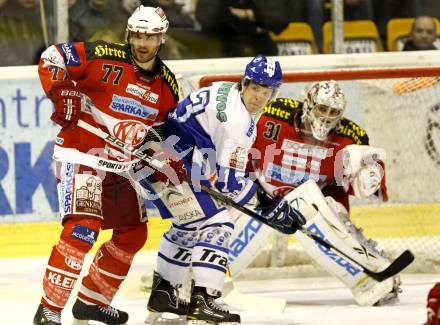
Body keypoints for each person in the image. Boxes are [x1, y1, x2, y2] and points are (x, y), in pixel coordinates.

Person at [33, 5, 180, 325]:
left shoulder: (167, 87)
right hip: (81, 155)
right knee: (82, 229)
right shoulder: (103, 55)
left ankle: (92, 300)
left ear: (162, 39)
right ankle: (49, 310)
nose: (142, 43)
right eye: (137, 35)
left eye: (150, 37)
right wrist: (61, 91)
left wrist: (160, 156)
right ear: (129, 34)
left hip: (119, 167)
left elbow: (157, 133)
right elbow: (52, 57)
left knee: (133, 234)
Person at [139, 55, 306, 324]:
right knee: (218, 223)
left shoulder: (224, 89)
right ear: (245, 83)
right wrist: (269, 206)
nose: (259, 97)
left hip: (156, 160)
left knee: (188, 226)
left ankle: (163, 294)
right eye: (255, 89)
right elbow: (229, 186)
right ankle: (205, 299)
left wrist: (266, 202)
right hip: (172, 165)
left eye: (266, 91)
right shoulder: (238, 123)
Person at [248, 80, 401, 306]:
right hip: (261, 198)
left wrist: (369, 174)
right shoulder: (272, 115)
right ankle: (204, 280)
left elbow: (370, 192)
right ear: (308, 104)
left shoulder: (352, 138)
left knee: (329, 207)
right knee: (221, 225)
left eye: (334, 111)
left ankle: (369, 275)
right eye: (322, 108)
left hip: (308, 206)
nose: (328, 116)